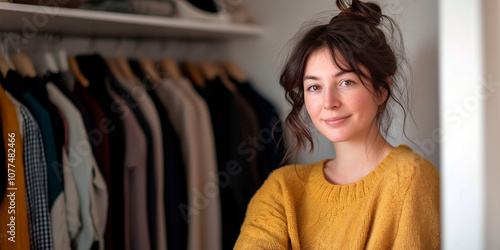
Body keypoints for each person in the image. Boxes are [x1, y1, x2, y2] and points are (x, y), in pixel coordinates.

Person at [234, 0, 440, 249]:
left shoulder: (410, 177)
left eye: (346, 82)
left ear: (382, 90)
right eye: (314, 87)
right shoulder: (282, 188)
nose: (328, 102)